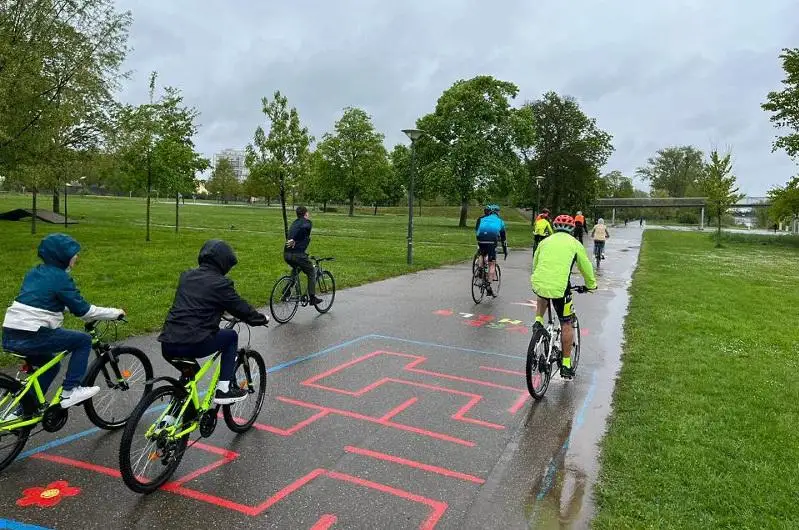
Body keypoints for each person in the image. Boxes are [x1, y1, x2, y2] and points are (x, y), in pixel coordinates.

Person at [2, 234, 125, 410]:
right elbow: (83, 310)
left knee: (50, 367)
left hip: (10, 333)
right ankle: (71, 391)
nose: (77, 256)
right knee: (82, 340)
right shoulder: (60, 278)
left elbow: (44, 300)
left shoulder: (35, 272)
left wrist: (71, 308)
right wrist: (114, 313)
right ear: (62, 256)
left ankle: (24, 411)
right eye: (73, 253)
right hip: (33, 334)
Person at [158, 240, 269, 405]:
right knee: (230, 337)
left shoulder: (187, 276)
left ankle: (174, 417)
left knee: (190, 377)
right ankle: (224, 389)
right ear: (224, 263)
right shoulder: (221, 284)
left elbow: (196, 301)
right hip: (194, 342)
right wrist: (260, 318)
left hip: (168, 342)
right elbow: (240, 307)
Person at [530, 215, 597, 378]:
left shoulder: (545, 242)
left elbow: (535, 262)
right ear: (572, 229)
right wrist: (591, 285)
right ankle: (566, 363)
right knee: (567, 323)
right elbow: (585, 267)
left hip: (539, 282)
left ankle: (538, 320)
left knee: (543, 292)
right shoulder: (575, 244)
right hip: (560, 288)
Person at [285, 206, 323, 306]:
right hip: (297, 255)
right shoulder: (307, 222)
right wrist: (295, 239)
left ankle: (286, 292)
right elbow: (303, 229)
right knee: (311, 271)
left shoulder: (294, 223)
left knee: (296, 270)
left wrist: (294, 239)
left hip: (287, 254)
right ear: (306, 214)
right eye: (308, 213)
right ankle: (312, 298)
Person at [475, 204, 506, 297]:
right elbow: (504, 239)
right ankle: (488, 286)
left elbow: (478, 231)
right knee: (492, 263)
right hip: (491, 240)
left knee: (482, 253)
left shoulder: (483, 219)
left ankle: (480, 269)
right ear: (497, 213)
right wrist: (505, 251)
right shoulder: (500, 221)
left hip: (480, 238)